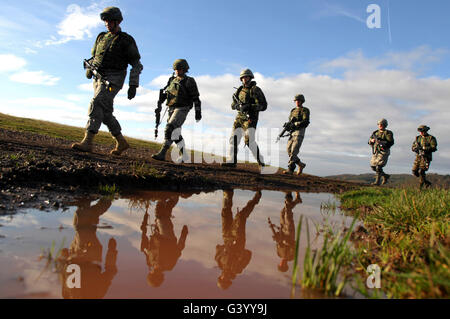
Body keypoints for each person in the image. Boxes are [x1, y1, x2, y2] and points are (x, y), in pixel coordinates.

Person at [72, 6, 143, 156]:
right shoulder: (101, 37)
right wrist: (89, 69)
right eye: (105, 21)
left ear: (117, 21)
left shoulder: (126, 40)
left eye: (110, 21)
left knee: (96, 102)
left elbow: (136, 64)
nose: (107, 23)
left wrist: (133, 84)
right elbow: (94, 56)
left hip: (114, 78)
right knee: (105, 112)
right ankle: (121, 142)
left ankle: (88, 142)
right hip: (98, 77)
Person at [58, 197, 118, 299]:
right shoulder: (96, 295)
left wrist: (63, 258)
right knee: (82, 229)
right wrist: (112, 252)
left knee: (81, 230)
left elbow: (64, 277)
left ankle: (97, 202)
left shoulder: (68, 295)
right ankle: (102, 201)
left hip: (76, 254)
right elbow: (109, 272)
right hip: (89, 256)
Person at [152, 59, 201, 162]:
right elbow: (169, 93)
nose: (178, 71)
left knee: (169, 128)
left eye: (180, 69)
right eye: (176, 69)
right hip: (171, 108)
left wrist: (198, 112)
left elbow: (196, 98)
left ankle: (162, 153)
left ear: (185, 70)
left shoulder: (189, 81)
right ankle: (185, 156)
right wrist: (162, 99)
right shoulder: (172, 80)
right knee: (175, 133)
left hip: (183, 108)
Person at [140, 192, 189, 287]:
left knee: (164, 214)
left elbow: (144, 242)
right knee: (160, 215)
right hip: (167, 236)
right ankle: (171, 194)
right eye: (155, 274)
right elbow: (179, 249)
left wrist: (144, 225)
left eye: (152, 273)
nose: (153, 271)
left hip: (158, 233)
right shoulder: (169, 265)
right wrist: (184, 235)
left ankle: (172, 195)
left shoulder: (149, 262)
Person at [215, 189, 261, 289]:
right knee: (240, 216)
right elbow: (248, 253)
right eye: (225, 280)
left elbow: (217, 248)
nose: (223, 277)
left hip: (226, 237)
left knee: (225, 212)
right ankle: (255, 199)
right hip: (238, 238)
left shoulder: (219, 263)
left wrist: (224, 249)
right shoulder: (238, 269)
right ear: (229, 280)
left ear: (220, 277)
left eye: (221, 278)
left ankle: (228, 194)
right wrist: (238, 252)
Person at [222, 69, 267, 168]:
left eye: (246, 77)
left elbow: (263, 106)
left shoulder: (255, 90)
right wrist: (237, 106)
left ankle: (260, 161)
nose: (244, 79)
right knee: (233, 139)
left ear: (250, 77)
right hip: (239, 118)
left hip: (250, 118)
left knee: (249, 141)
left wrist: (250, 106)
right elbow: (233, 104)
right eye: (242, 77)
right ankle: (231, 161)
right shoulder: (239, 90)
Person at [268, 192, 302, 272]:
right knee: (287, 213)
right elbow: (294, 245)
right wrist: (286, 242)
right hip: (290, 232)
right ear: (285, 265)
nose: (281, 263)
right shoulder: (291, 257)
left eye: (280, 264)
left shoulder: (279, 254)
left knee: (282, 213)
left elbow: (278, 241)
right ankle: (288, 195)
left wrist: (275, 234)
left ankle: (296, 200)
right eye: (282, 265)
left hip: (282, 229)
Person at [282, 94, 310, 175]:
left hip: (299, 132)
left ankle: (290, 169)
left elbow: (306, 122)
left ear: (302, 101)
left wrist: (296, 124)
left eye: (298, 101)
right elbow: (290, 121)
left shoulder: (305, 110)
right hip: (292, 132)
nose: (297, 102)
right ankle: (301, 165)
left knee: (294, 151)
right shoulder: (293, 110)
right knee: (289, 150)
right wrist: (288, 126)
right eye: (296, 101)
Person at [368, 118, 394, 185]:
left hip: (383, 151)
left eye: (382, 124)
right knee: (373, 166)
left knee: (379, 166)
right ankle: (385, 176)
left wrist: (382, 142)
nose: (380, 125)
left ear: (385, 125)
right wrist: (371, 141)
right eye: (379, 124)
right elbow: (369, 141)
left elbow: (390, 142)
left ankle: (377, 182)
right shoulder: (375, 133)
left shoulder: (388, 133)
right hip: (376, 151)